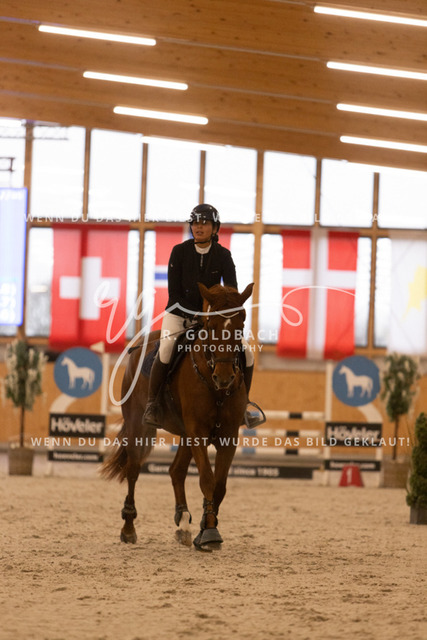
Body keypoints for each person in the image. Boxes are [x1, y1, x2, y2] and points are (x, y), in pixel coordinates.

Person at [143, 203, 261, 428]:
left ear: (215, 228)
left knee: (247, 353)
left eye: (204, 223)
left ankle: (243, 406)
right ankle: (152, 404)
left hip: (213, 320)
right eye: (195, 223)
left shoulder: (224, 255)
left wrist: (215, 315)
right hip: (179, 315)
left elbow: (232, 292)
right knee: (166, 349)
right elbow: (174, 294)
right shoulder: (179, 252)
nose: (198, 227)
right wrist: (197, 314)